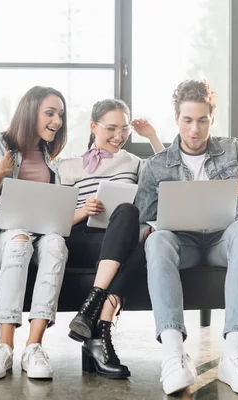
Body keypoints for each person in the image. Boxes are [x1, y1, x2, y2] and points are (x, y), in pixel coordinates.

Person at [135, 79, 238, 396]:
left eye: (202, 120)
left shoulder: (234, 150)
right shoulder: (157, 165)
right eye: (187, 120)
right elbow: (140, 222)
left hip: (221, 244)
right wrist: (155, 227)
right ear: (177, 120)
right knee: (157, 240)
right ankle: (173, 354)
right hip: (183, 246)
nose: (194, 129)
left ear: (212, 118)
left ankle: (235, 355)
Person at [57, 99, 164, 379]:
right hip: (83, 239)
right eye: (111, 128)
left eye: (125, 129)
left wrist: (151, 136)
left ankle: (94, 318)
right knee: (131, 227)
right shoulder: (67, 165)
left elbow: (168, 172)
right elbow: (55, 220)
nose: (119, 136)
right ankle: (100, 321)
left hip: (122, 237)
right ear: (93, 127)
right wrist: (82, 211)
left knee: (137, 222)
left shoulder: (134, 163)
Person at [0, 86, 68, 380]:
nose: (57, 121)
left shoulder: (51, 156)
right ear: (30, 112)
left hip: (43, 232)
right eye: (50, 113)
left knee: (56, 246)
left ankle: (34, 347)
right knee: (19, 241)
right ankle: (4, 346)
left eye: (60, 115)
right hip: (4, 233)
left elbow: (51, 205)